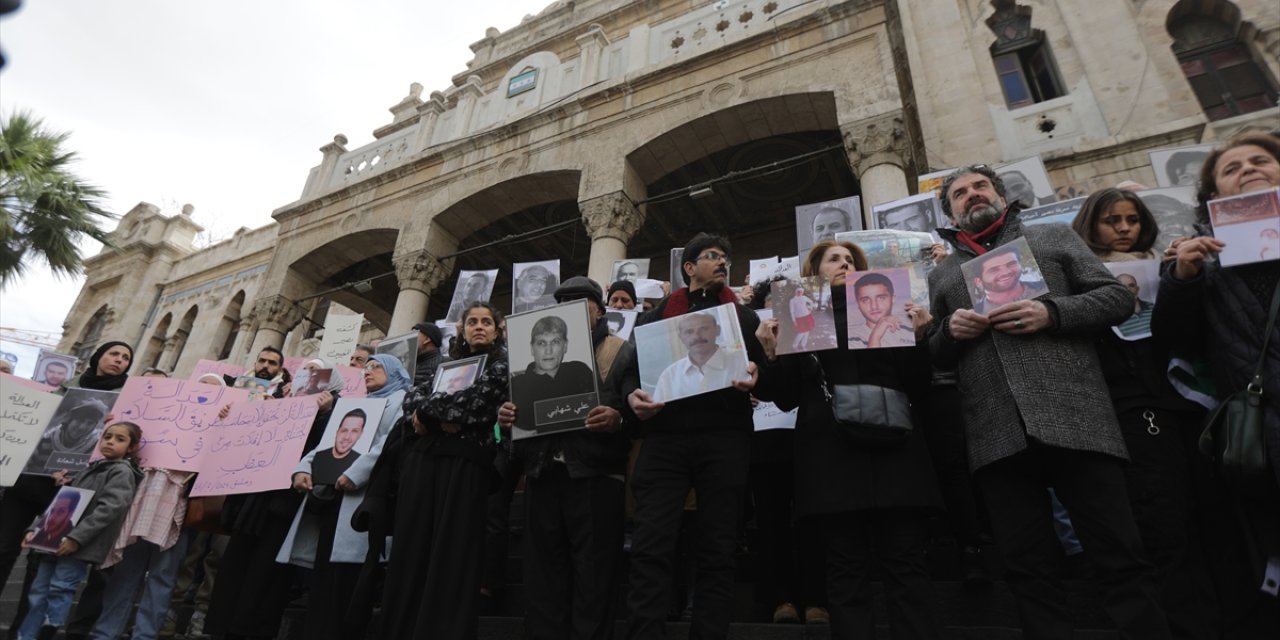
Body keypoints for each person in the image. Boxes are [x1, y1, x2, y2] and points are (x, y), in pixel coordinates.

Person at [929, 164, 1170, 639]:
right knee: (1027, 568)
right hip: (996, 433)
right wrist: (947, 333)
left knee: (1120, 553)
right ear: (951, 213)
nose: (972, 195)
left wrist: (1052, 311)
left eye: (981, 187)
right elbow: (935, 355)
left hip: (1076, 417)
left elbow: (1115, 300)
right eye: (960, 193)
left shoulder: (1054, 238)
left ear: (1001, 196)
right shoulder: (942, 275)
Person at [756, 238, 942, 639]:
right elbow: (786, 397)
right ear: (814, 270)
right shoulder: (797, 312)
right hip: (830, 455)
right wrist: (772, 353)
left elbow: (917, 384)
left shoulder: (887, 308)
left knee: (906, 561)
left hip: (894, 448)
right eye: (834, 258)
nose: (844, 263)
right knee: (845, 567)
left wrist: (919, 339)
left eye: (852, 260)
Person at [1070, 186, 1219, 638]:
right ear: (1090, 226)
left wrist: (1179, 278)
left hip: (1187, 407)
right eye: (1110, 220)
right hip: (1133, 413)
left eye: (1131, 219)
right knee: (1164, 531)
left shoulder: (1168, 263)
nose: (1123, 229)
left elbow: (1183, 332)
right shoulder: (1078, 277)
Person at [1152, 133, 1280, 636]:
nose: (1247, 169)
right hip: (1265, 438)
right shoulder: (1200, 258)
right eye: (1231, 168)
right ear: (1213, 193)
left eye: (1260, 160)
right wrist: (1183, 276)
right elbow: (1174, 342)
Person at [625, 232, 764, 640]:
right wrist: (632, 397)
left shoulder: (744, 316)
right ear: (689, 268)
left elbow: (762, 367)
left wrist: (759, 373)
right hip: (665, 442)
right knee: (651, 546)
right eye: (712, 256)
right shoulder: (658, 316)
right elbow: (631, 373)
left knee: (718, 549)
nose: (722, 262)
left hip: (725, 440)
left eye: (726, 256)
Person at [497, 276, 640, 640]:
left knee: (593, 578)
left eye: (582, 302)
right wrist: (507, 418)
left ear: (599, 310)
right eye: (565, 302)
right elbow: (514, 420)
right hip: (543, 476)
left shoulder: (621, 350)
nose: (573, 308)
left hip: (595, 477)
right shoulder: (530, 359)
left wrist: (617, 418)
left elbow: (636, 409)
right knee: (543, 577)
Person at [369, 301, 509, 639]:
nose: (479, 326)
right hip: (423, 465)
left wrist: (431, 416)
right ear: (462, 328)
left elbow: (479, 403)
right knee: (412, 549)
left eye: (486, 322)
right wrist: (439, 416)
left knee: (452, 552)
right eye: (472, 321)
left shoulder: (502, 367)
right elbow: (411, 401)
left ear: (496, 330)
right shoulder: (445, 366)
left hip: (465, 467)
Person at [0, 340, 134, 639]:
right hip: (30, 478)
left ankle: (23, 630)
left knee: (40, 563)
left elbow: (115, 446)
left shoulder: (124, 400)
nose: (119, 360)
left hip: (67, 489)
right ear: (99, 356)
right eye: (114, 353)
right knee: (4, 547)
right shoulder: (64, 388)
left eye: (126, 358)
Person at [204, 360, 343, 640]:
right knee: (236, 564)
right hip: (253, 500)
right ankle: (222, 627)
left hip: (287, 503)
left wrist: (324, 414)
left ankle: (251, 630)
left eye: (318, 373)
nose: (311, 378)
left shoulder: (337, 411)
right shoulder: (275, 402)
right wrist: (233, 415)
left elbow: (329, 450)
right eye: (308, 372)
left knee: (266, 571)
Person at [281, 355, 410, 640]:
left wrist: (356, 473)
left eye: (376, 367)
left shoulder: (402, 401)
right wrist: (302, 468)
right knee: (325, 579)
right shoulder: (358, 404)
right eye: (366, 368)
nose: (368, 372)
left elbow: (386, 444)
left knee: (349, 584)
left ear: (394, 372)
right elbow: (329, 441)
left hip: (362, 501)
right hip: (332, 500)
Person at [15, 422, 142, 640]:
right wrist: (36, 530)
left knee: (60, 588)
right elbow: (62, 503)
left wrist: (76, 538)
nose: (111, 441)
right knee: (38, 591)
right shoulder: (90, 467)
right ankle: (26, 636)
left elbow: (110, 508)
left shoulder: (122, 472)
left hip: (77, 546)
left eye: (120, 439)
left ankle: (48, 631)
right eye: (107, 436)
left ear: (132, 448)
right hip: (52, 540)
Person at [510, 314, 595, 433]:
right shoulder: (516, 385)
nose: (548, 351)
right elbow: (498, 432)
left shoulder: (580, 371)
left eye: (555, 342)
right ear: (532, 348)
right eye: (541, 343)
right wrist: (502, 425)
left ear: (565, 346)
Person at [652, 311, 749, 403]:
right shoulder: (669, 376)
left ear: (717, 330)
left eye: (704, 328)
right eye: (689, 332)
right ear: (681, 337)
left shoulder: (741, 360)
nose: (696, 336)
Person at [970, 245, 1048, 313]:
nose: (1006, 272)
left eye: (1011, 264)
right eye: (994, 270)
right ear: (978, 281)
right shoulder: (976, 313)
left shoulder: (1044, 285)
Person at [847, 272, 917, 349]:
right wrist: (875, 337)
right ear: (858, 304)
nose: (874, 306)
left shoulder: (912, 327)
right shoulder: (852, 339)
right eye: (865, 300)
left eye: (881, 298)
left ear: (893, 299)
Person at [411, 322, 447, 388]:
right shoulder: (409, 365)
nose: (410, 339)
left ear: (427, 339)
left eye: (414, 335)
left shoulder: (444, 362)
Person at [787, 284, 816, 351]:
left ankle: (803, 345)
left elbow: (811, 302)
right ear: (796, 292)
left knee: (807, 331)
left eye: (801, 291)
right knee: (801, 332)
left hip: (807, 316)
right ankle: (794, 345)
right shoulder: (792, 300)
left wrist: (810, 309)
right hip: (799, 318)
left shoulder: (804, 297)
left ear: (802, 292)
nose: (800, 293)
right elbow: (792, 311)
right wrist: (794, 321)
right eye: (798, 291)